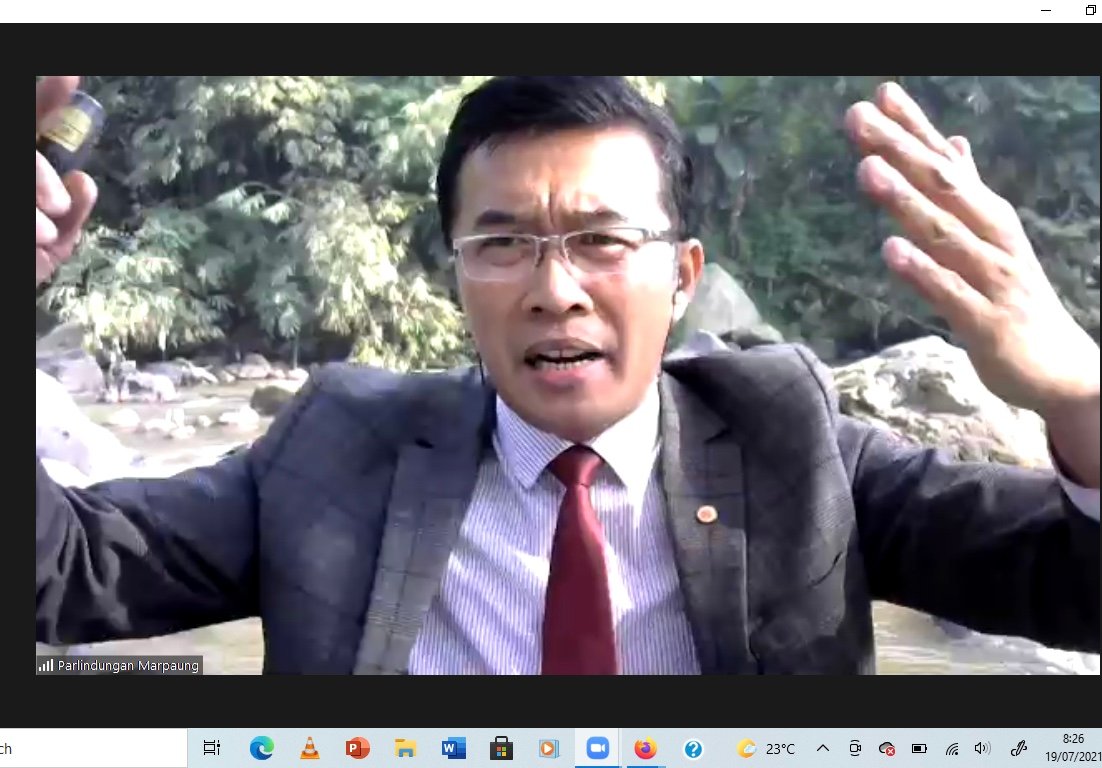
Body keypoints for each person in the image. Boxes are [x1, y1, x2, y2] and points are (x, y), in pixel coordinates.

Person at [35, 75, 1100, 674]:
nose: (555, 290)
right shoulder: (338, 448)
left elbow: (1075, 589)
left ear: (683, 276)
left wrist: (1079, 397)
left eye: (602, 240)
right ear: (457, 276)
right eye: (502, 244)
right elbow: (62, 574)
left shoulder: (791, 439)